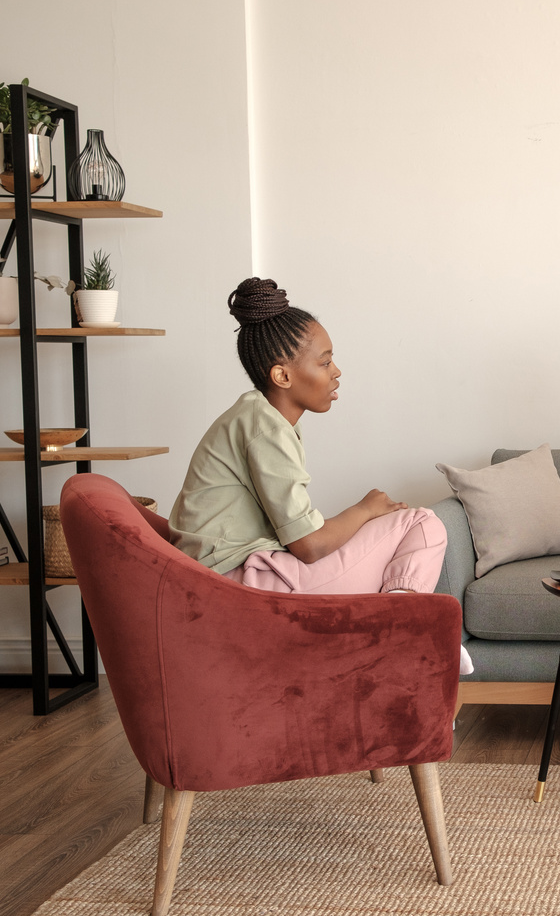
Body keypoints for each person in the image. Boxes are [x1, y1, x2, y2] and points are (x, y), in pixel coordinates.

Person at [169, 277, 473, 674]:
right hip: (244, 588)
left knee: (408, 530)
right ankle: (406, 630)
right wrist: (364, 509)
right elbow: (309, 546)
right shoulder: (265, 428)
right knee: (422, 524)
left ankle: (400, 624)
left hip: (246, 576)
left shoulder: (258, 417)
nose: (336, 372)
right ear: (282, 376)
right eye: (325, 361)